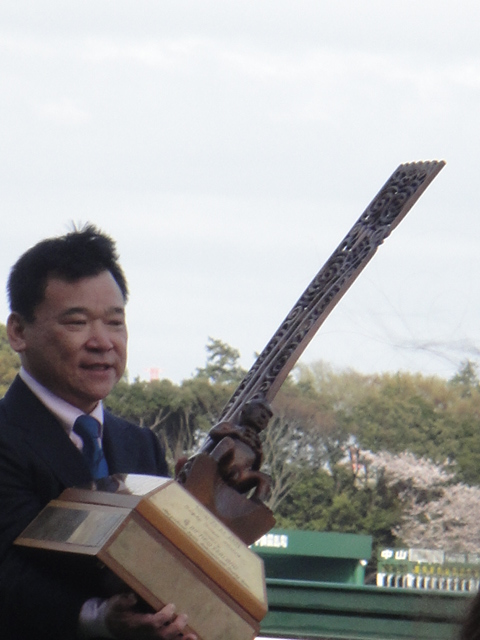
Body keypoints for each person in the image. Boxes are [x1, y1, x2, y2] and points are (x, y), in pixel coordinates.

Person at [0, 225, 198, 640]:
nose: (103, 342)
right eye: (77, 323)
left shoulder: (140, 444)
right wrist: (98, 619)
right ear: (18, 332)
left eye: (115, 322)